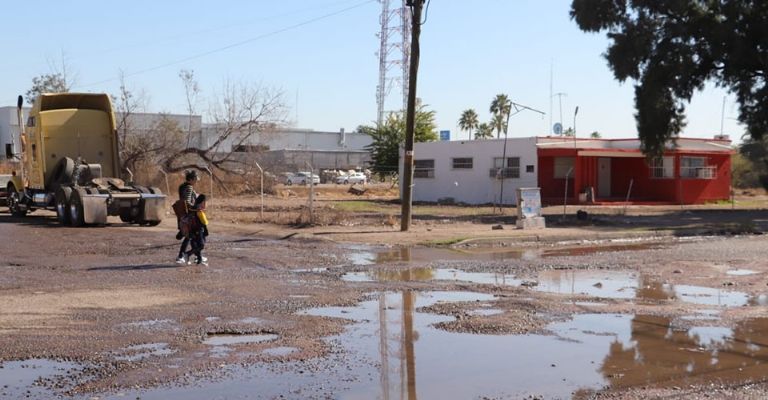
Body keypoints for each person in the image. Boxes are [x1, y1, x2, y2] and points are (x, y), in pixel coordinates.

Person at [176, 169, 199, 264]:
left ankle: (198, 256)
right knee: (190, 236)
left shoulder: (182, 186)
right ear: (191, 179)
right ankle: (181, 256)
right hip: (189, 215)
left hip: (183, 214)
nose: (196, 181)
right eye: (195, 179)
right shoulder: (189, 187)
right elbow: (187, 201)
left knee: (191, 236)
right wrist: (195, 207)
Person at [184, 194, 209, 266]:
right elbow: (204, 222)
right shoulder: (199, 209)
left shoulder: (193, 207)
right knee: (201, 245)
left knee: (196, 244)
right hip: (198, 229)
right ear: (203, 201)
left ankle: (199, 259)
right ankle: (188, 254)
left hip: (193, 229)